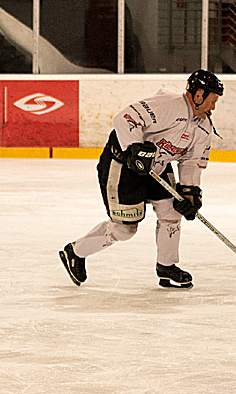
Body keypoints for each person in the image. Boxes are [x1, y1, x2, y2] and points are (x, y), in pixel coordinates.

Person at [59, 70, 223, 289]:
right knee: (125, 229)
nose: (213, 108)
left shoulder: (203, 128)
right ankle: (75, 252)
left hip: (157, 167)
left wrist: (190, 192)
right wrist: (135, 147)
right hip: (124, 165)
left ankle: (167, 266)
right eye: (212, 101)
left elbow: (191, 161)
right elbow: (124, 118)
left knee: (172, 212)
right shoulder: (169, 104)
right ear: (199, 94)